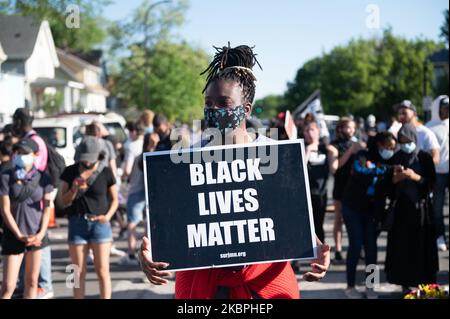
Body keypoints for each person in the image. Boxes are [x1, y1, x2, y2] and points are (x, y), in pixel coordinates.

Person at [138, 44, 330, 299]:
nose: (213, 109)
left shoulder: (276, 156)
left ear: (246, 109)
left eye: (223, 102)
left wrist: (317, 250)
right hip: (205, 286)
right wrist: (150, 254)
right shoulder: (185, 159)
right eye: (208, 103)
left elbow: (294, 219)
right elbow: (170, 224)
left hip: (264, 286)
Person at [60, 137, 119, 299]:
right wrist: (74, 188)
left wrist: (107, 216)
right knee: (77, 272)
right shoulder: (70, 172)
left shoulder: (106, 172)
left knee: (102, 271)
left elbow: (115, 199)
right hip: (77, 223)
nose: (86, 161)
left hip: (100, 225)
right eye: (84, 157)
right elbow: (62, 201)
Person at [341, 132, 397, 299]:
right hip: (352, 208)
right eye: (387, 147)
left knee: (371, 249)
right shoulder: (363, 156)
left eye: (392, 148)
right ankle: (350, 286)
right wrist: (384, 169)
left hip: (372, 211)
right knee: (356, 245)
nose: (389, 151)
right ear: (378, 145)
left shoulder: (390, 161)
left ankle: (370, 286)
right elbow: (360, 170)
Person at [385, 123, 439, 293]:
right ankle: (405, 285)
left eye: (408, 140)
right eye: (402, 140)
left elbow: (431, 184)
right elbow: (387, 187)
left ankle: (426, 285)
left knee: (422, 248)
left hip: (421, 211)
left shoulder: (424, 158)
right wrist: (395, 179)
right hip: (402, 211)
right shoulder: (395, 158)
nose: (405, 143)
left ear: (415, 139)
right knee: (402, 249)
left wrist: (415, 177)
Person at [0, 139, 53, 298]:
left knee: (31, 281)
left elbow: (47, 208)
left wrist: (41, 233)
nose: (21, 156)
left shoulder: (44, 178)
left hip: (36, 235)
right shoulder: (5, 176)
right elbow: (4, 209)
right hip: (13, 234)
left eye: (25, 153)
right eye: (18, 152)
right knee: (8, 285)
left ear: (36, 155)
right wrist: (18, 234)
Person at [11, 108, 53, 299]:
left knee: (39, 241)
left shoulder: (34, 142)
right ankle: (34, 283)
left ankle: (44, 285)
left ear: (19, 121)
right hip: (31, 197)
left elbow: (38, 171)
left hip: (35, 196)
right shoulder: (35, 139)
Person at [119, 133, 160, 266]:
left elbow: (130, 173)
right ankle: (147, 252)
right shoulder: (150, 157)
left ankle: (132, 253)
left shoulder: (139, 157)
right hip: (147, 192)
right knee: (145, 224)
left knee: (133, 223)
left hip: (136, 191)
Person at [331, 117, 366, 263]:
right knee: (338, 219)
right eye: (348, 127)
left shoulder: (358, 143)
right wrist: (351, 150)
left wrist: (362, 149)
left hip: (356, 188)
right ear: (340, 129)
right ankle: (338, 249)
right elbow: (335, 167)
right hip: (340, 186)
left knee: (357, 220)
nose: (351, 130)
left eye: (353, 128)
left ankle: (358, 248)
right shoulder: (334, 145)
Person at [303, 116, 338, 243]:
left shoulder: (325, 148)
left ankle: (320, 256)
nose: (310, 133)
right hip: (305, 195)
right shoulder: (301, 147)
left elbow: (334, 169)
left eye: (312, 130)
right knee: (305, 227)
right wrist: (307, 151)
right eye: (306, 131)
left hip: (321, 194)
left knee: (319, 226)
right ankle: (298, 260)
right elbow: (298, 171)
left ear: (318, 131)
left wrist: (334, 155)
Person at [426, 96, 449, 252]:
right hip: (438, 173)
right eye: (444, 107)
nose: (447, 110)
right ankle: (439, 236)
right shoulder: (430, 127)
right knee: (437, 207)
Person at [395, 100, 440, 165]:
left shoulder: (426, 133)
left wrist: (420, 169)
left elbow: (436, 158)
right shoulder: (400, 132)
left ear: (414, 114)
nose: (401, 116)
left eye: (404, 113)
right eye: (399, 114)